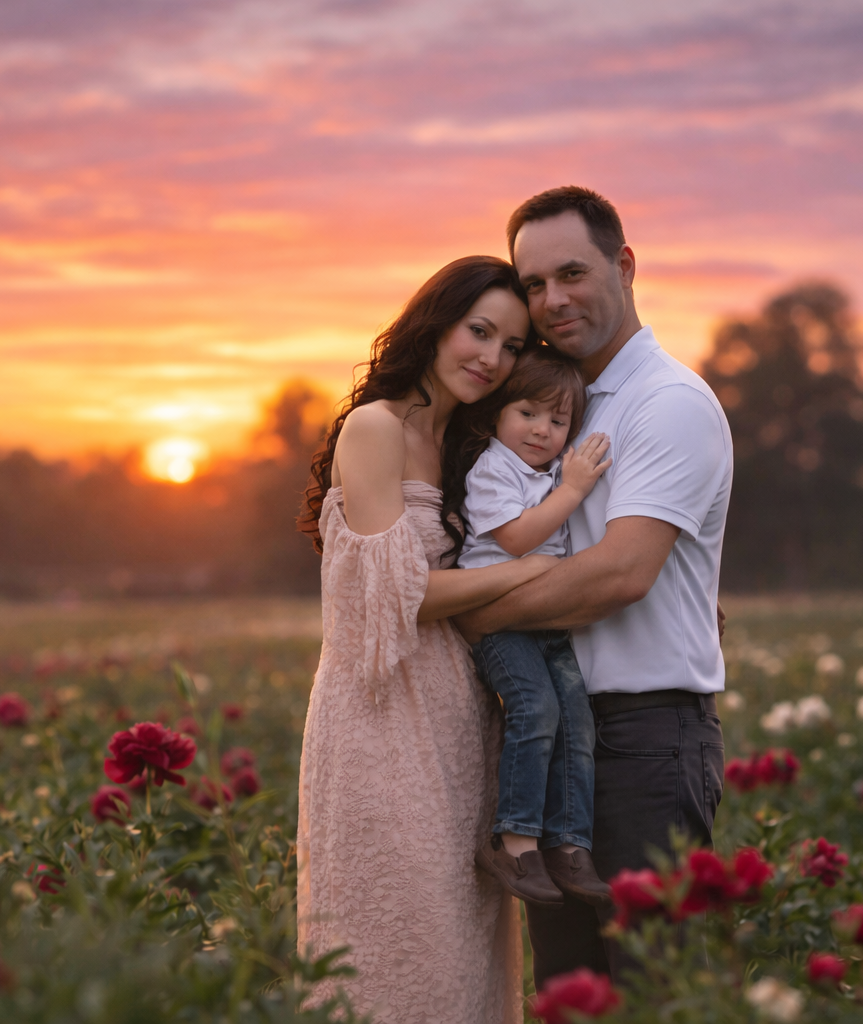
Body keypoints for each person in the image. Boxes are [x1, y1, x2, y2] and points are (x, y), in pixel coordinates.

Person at [455, 186, 734, 985]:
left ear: (625, 264)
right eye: (534, 284)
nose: (552, 300)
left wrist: (470, 613)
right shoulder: (551, 405)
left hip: (642, 740)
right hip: (555, 739)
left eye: (572, 273)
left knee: (657, 989)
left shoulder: (666, 401)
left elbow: (621, 572)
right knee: (571, 994)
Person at [295, 255, 556, 1023]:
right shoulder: (375, 427)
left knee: (467, 957)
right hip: (379, 717)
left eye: (512, 346)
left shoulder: (475, 443)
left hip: (459, 721)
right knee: (397, 947)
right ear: (435, 323)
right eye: (479, 332)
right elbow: (397, 600)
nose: (492, 358)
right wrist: (531, 575)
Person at [451, 347, 615, 907]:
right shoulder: (493, 468)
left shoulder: (549, 471)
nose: (542, 430)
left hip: (546, 620)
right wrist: (572, 490)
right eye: (528, 412)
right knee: (536, 709)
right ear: (499, 412)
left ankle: (568, 844)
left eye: (558, 420)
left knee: (576, 720)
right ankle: (514, 841)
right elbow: (518, 539)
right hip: (502, 622)